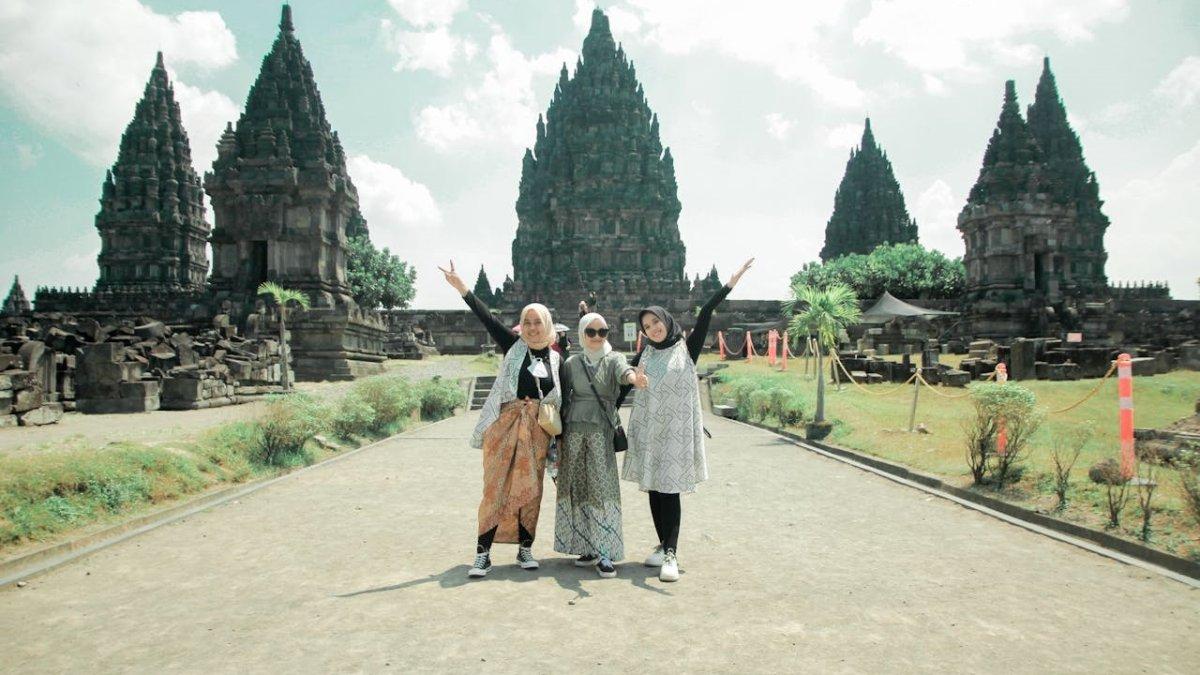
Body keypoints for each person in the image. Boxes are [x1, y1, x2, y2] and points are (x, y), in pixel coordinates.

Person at [621, 258, 754, 582]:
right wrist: (625, 383)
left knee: (671, 492)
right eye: (647, 326)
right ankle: (661, 544)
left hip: (676, 436)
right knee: (653, 489)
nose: (653, 328)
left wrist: (730, 282)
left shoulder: (686, 348)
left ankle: (671, 553)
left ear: (666, 321)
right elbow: (623, 378)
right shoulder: (645, 355)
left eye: (656, 322)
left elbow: (705, 312)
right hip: (651, 433)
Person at [439, 261, 561, 579]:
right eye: (528, 322)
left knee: (530, 491)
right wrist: (462, 288)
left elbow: (563, 398)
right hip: (504, 424)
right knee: (495, 488)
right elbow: (487, 318)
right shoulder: (513, 345)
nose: (533, 328)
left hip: (536, 431)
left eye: (538, 322)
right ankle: (483, 554)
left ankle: (525, 549)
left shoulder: (558, 359)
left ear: (547, 325)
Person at [554, 311, 643, 578]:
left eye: (602, 332)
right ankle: (587, 546)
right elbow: (562, 396)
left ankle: (606, 550)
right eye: (590, 332)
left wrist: (633, 378)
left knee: (602, 488)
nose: (596, 337)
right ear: (582, 334)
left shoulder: (613, 358)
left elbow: (624, 371)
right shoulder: (571, 363)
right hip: (572, 431)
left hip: (600, 432)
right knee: (578, 486)